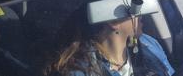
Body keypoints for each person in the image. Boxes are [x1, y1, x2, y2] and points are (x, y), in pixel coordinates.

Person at [45, 5, 174, 76]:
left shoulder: (148, 44)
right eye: (133, 9)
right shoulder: (80, 71)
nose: (141, 14)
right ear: (113, 21)